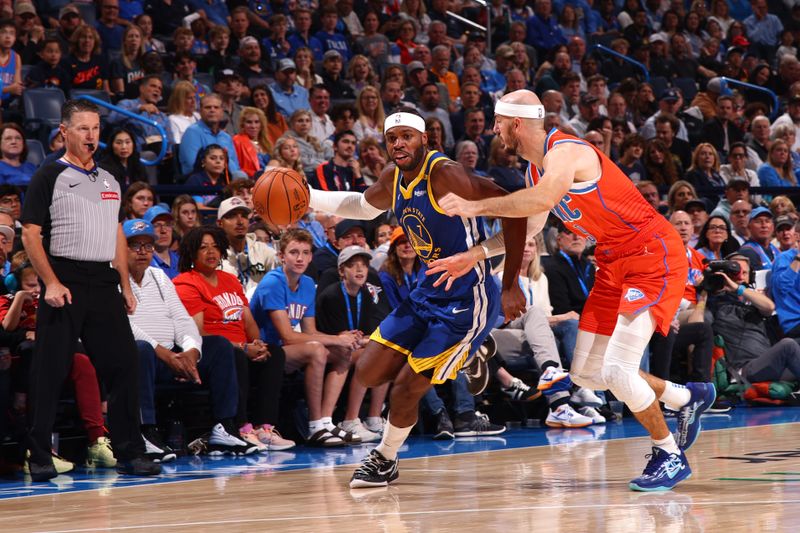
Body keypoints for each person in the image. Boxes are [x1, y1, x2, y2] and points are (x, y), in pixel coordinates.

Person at [430, 90, 716, 492]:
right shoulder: (534, 173)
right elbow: (529, 229)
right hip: (614, 263)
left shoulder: (565, 151)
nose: (493, 130)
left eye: (497, 122)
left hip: (652, 254)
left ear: (516, 123)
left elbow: (545, 198)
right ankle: (685, 398)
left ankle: (668, 454)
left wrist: (474, 207)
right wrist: (474, 255)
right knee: (588, 374)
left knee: (617, 370)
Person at [307, 109, 527, 487]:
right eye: (392, 138)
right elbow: (362, 205)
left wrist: (509, 284)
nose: (398, 144)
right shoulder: (393, 177)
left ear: (425, 139)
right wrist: (308, 196)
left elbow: (516, 209)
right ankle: (463, 358)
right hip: (427, 291)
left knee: (406, 388)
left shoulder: (447, 175)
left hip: (467, 301)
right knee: (368, 370)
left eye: (406, 136)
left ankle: (385, 459)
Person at [21, 99, 160, 481]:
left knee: (125, 365)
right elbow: (30, 233)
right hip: (63, 278)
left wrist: (125, 283)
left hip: (103, 282)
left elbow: (115, 231)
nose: (91, 135)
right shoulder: (49, 174)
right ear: (64, 132)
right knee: (49, 371)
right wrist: (50, 281)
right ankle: (38, 456)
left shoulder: (111, 178)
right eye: (83, 128)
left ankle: (130, 451)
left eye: (95, 128)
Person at [124, 218, 257, 458]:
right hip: (143, 358)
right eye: (135, 245)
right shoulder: (112, 279)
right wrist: (167, 355)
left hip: (173, 356)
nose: (142, 252)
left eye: (147, 245)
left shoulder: (159, 277)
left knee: (219, 345)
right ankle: (146, 433)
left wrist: (190, 353)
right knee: (140, 349)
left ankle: (223, 428)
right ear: (120, 249)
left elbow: (183, 320)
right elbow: (125, 326)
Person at [173, 226, 293, 452]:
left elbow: (248, 322)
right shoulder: (186, 283)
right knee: (234, 355)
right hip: (210, 350)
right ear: (191, 252)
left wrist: (257, 344)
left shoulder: (230, 280)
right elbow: (196, 332)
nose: (211, 252)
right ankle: (241, 427)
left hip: (240, 347)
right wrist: (241, 347)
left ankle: (265, 428)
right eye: (203, 248)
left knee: (275, 353)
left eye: (215, 246)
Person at [249, 228, 363, 447]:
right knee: (317, 350)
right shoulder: (273, 282)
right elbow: (288, 337)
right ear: (281, 256)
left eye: (305, 252)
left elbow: (309, 332)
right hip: (265, 350)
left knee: (344, 351)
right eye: (293, 252)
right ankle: (314, 426)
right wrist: (335, 339)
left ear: (311, 256)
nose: (300, 258)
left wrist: (341, 338)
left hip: (286, 349)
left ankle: (327, 421)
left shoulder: (309, 283)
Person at [216, 197, 278, 299]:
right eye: (232, 216)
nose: (240, 221)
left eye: (244, 216)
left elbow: (283, 265)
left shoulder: (261, 249)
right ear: (220, 223)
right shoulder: (215, 255)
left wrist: (278, 235)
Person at [179, 94, 242, 177]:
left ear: (222, 112)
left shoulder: (226, 137)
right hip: (201, 182)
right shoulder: (192, 132)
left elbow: (236, 166)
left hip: (229, 180)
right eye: (208, 107)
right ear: (200, 111)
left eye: (216, 107)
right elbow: (192, 165)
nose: (212, 110)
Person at [232, 107, 272, 178]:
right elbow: (237, 167)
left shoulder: (267, 142)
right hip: (250, 180)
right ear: (242, 125)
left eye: (257, 122)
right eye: (249, 122)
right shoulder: (237, 141)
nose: (253, 126)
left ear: (261, 124)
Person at [143, 205, 179, 279]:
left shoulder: (180, 261)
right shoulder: (144, 264)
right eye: (156, 225)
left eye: (168, 225)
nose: (163, 230)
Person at [166, 80, 200, 145]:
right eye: (189, 98)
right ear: (180, 100)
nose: (193, 101)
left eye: (194, 97)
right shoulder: (172, 120)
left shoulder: (198, 116)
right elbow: (176, 145)